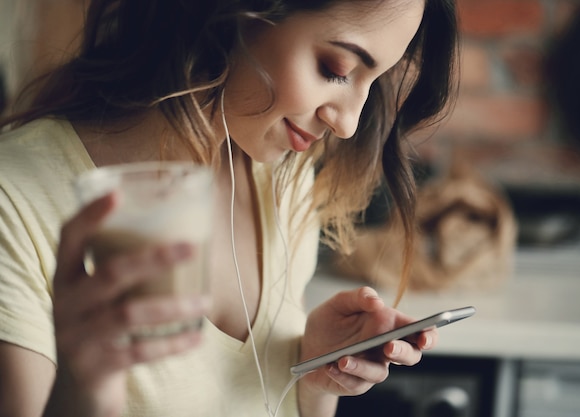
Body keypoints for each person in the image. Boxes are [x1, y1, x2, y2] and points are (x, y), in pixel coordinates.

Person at [0, 0, 458, 416]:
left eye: (372, 82)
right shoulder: (15, 198)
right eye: (335, 68)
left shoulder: (284, 177)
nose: (348, 124)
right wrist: (89, 387)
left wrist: (313, 377)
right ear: (235, 15)